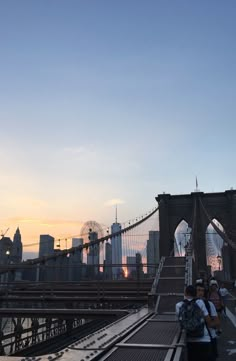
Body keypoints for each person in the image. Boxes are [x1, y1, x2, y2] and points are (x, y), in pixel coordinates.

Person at [176, 285, 215, 361]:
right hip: (204, 340)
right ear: (195, 293)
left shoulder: (178, 305)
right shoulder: (200, 302)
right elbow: (209, 322)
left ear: (185, 293)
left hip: (189, 341)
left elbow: (180, 323)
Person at [196, 282, 220, 361]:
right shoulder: (190, 304)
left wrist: (207, 324)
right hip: (196, 339)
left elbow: (217, 322)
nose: (200, 293)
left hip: (209, 337)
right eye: (198, 290)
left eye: (202, 291)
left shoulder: (209, 304)